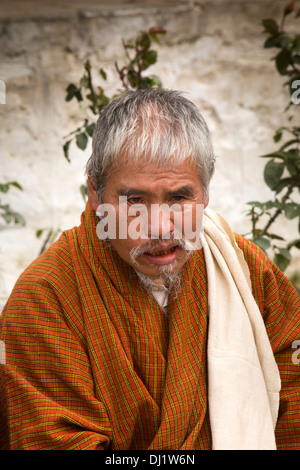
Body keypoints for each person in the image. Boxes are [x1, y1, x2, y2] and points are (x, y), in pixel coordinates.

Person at [0, 88, 299, 450]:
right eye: (134, 200)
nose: (159, 226)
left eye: (178, 197)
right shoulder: (45, 299)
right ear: (95, 193)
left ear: (205, 193)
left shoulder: (244, 269)